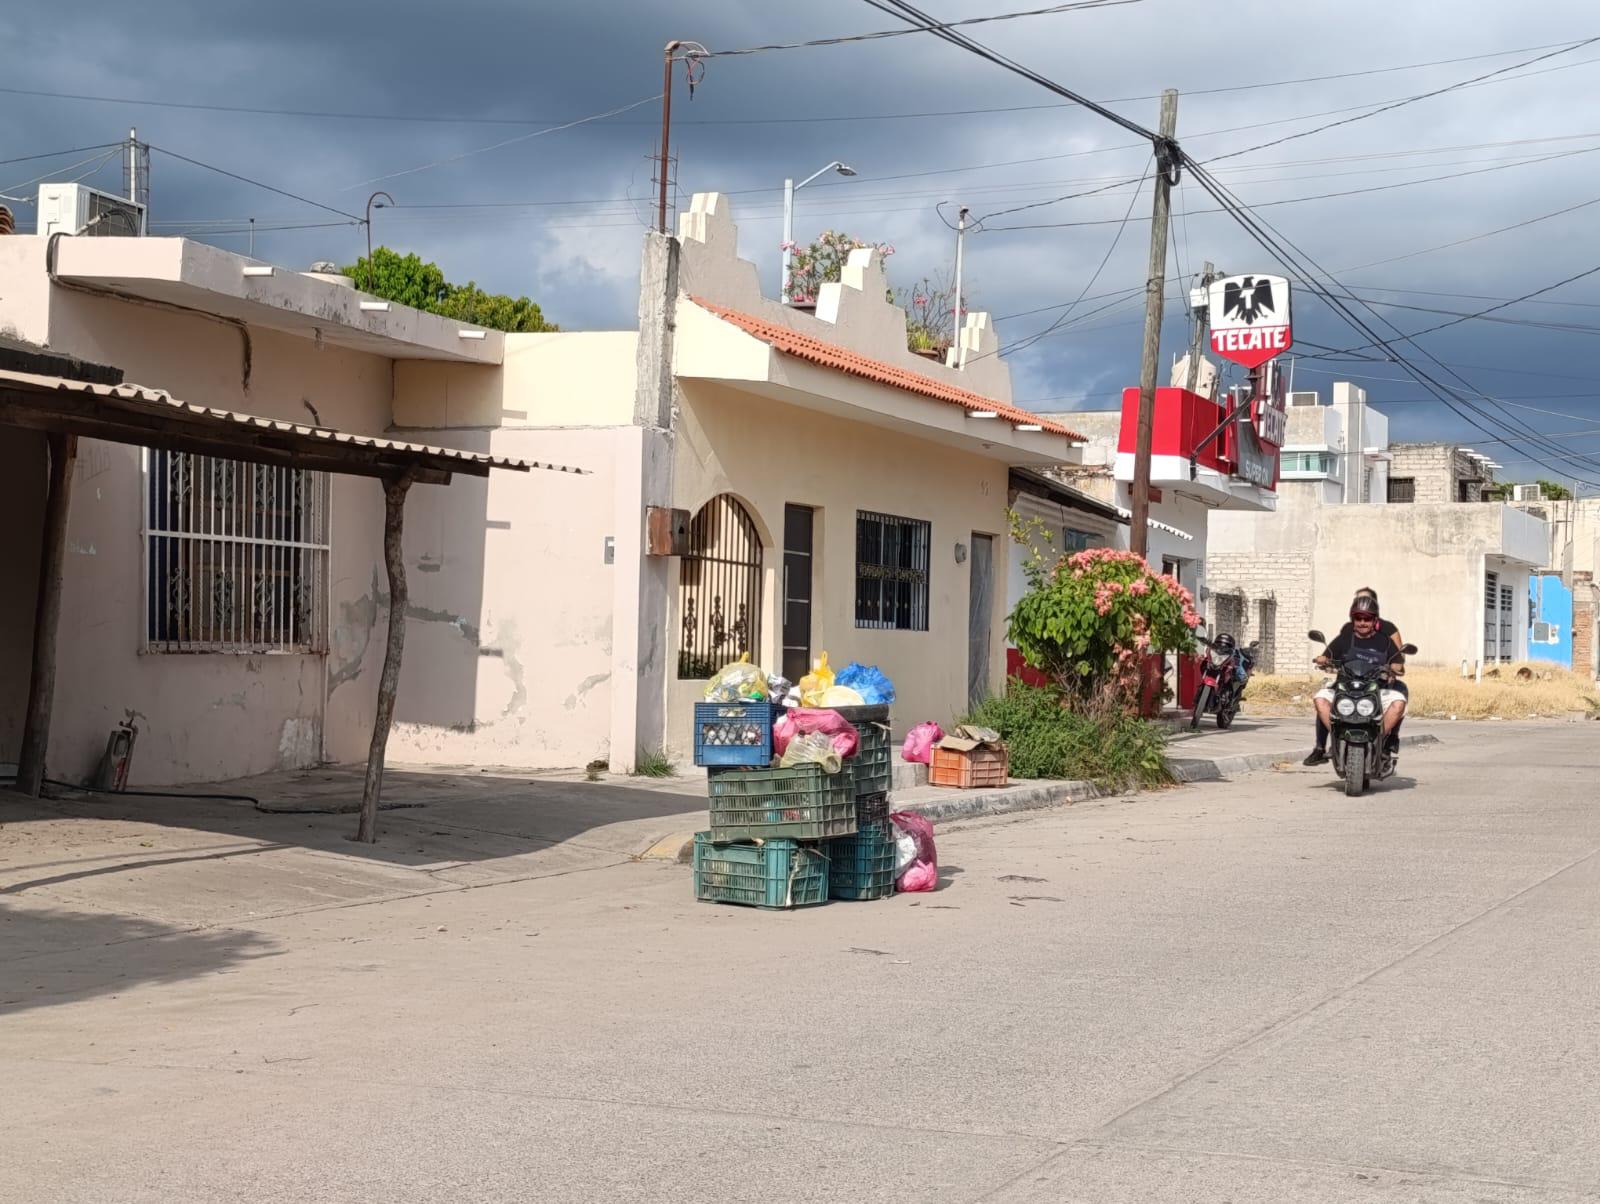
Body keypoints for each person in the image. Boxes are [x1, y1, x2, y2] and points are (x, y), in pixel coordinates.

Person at [1304, 588, 1406, 766]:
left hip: (1376, 689)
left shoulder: (1385, 641)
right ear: (1353, 619)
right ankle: (1332, 739)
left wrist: (1394, 667)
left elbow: (1398, 663)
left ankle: (1379, 740)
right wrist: (1323, 659)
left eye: (1367, 618)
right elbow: (1327, 655)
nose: (1362, 622)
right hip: (1345, 687)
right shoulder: (1344, 638)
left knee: (1399, 703)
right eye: (1358, 618)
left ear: (1374, 620)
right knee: (1320, 699)